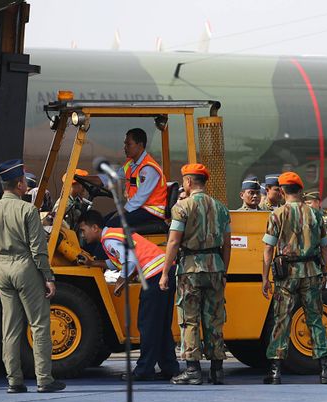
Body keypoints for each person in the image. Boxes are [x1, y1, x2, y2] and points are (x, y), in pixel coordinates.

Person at [0, 159, 65, 394]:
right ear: (19, 184)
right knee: (39, 324)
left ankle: (14, 381)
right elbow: (38, 248)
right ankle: (44, 379)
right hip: (26, 268)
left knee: (10, 328)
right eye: (25, 180)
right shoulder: (28, 211)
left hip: (3, 271)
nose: (26, 184)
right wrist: (48, 276)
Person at [79, 210, 179, 381]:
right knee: (160, 324)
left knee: (147, 324)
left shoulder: (109, 239)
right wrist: (93, 263)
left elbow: (130, 262)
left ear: (95, 228)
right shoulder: (114, 235)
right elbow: (116, 261)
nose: (82, 235)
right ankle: (169, 367)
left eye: (83, 230)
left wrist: (120, 281)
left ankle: (144, 370)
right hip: (165, 272)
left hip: (154, 275)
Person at [160, 163, 231, 385]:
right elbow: (227, 244)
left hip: (190, 268)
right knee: (214, 319)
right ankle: (217, 370)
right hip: (216, 267)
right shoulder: (221, 208)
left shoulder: (181, 208)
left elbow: (173, 241)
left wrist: (164, 273)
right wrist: (223, 269)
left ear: (189, 182)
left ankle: (192, 370)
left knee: (189, 318)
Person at [261, 171, 327, 385]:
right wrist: (324, 271)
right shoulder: (315, 214)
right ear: (301, 191)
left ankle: (275, 371)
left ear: (282, 191)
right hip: (311, 271)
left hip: (286, 274)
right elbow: (325, 247)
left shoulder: (277, 215)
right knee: (315, 319)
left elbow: (268, 249)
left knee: (281, 319)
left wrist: (265, 277)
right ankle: (324, 370)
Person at [104, 128, 168, 228]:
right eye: (125, 144)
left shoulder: (148, 168)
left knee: (111, 225)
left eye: (128, 144)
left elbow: (139, 199)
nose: (125, 148)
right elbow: (112, 175)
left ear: (140, 145)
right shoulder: (131, 164)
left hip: (151, 213)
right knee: (103, 221)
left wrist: (121, 212)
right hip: (139, 209)